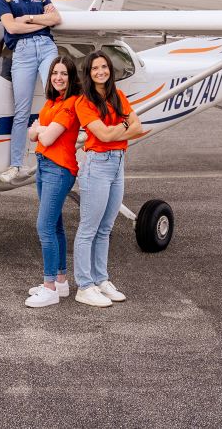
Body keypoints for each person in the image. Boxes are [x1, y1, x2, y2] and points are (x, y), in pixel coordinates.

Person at [72, 51, 144, 308]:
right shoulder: (84, 101)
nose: (100, 71)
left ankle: (101, 279)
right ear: (89, 74)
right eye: (95, 68)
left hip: (118, 163)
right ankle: (84, 285)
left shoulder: (117, 95)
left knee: (106, 228)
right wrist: (122, 129)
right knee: (88, 228)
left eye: (104, 67)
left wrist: (115, 131)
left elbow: (138, 126)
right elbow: (102, 135)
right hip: (97, 166)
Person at [0, 0, 61, 183]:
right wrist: (38, 21)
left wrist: (27, 20)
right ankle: (16, 165)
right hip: (21, 52)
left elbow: (55, 20)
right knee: (21, 111)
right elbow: (11, 29)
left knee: (56, 96)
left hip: (46, 48)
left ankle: (60, 154)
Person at [24, 55, 82, 308]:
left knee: (44, 227)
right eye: (55, 73)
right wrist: (39, 130)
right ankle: (60, 281)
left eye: (64, 74)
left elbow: (45, 138)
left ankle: (49, 288)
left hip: (59, 169)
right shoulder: (52, 102)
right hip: (45, 166)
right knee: (55, 226)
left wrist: (39, 130)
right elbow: (31, 132)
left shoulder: (70, 104)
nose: (58, 78)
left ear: (72, 78)